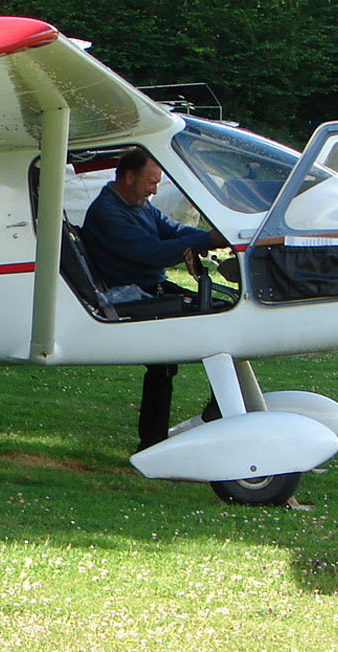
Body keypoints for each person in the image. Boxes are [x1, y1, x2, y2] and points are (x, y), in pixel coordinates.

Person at [81, 146, 228, 451]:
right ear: (129, 176)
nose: (154, 189)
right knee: (190, 342)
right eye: (150, 182)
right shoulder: (108, 212)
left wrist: (208, 237)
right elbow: (149, 252)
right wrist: (207, 239)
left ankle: (208, 415)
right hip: (132, 295)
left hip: (150, 288)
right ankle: (154, 441)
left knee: (222, 315)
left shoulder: (139, 205)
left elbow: (171, 230)